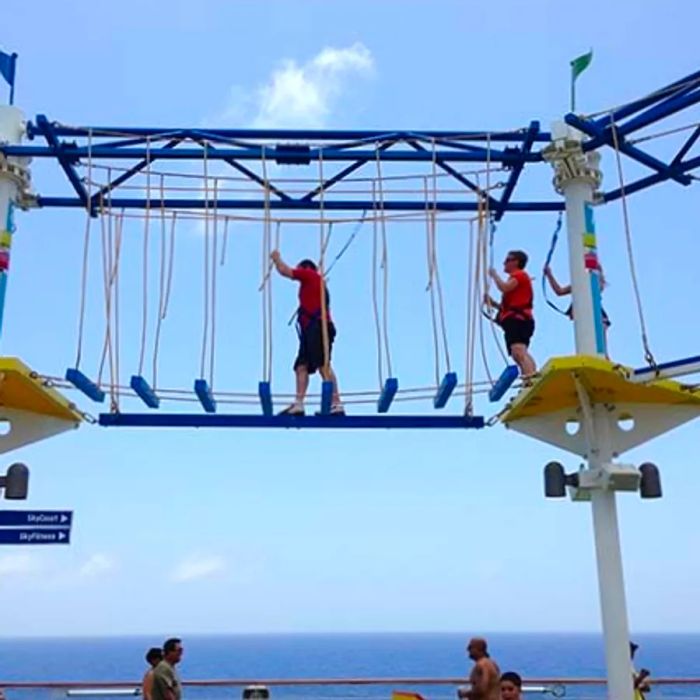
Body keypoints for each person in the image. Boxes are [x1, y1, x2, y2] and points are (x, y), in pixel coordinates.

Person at [270, 251, 344, 416]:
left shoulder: (309, 275)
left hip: (317, 327)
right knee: (301, 366)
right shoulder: (315, 285)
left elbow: (285, 271)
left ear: (304, 268)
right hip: (311, 329)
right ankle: (299, 403)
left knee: (323, 365)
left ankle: (336, 403)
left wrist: (276, 258)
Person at [485, 250, 536, 376]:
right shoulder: (518, 279)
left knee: (518, 351)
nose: (504, 263)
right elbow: (509, 306)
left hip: (519, 320)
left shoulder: (519, 275)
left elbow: (504, 287)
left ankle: (531, 378)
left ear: (516, 262)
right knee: (517, 353)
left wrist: (494, 274)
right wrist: (493, 303)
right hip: (516, 319)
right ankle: (530, 377)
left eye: (508, 260)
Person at [544, 264, 611, 330]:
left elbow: (559, 291)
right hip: (585, 315)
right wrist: (549, 274)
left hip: (596, 315)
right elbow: (559, 291)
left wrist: (549, 274)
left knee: (602, 327)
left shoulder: (594, 285)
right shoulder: (579, 285)